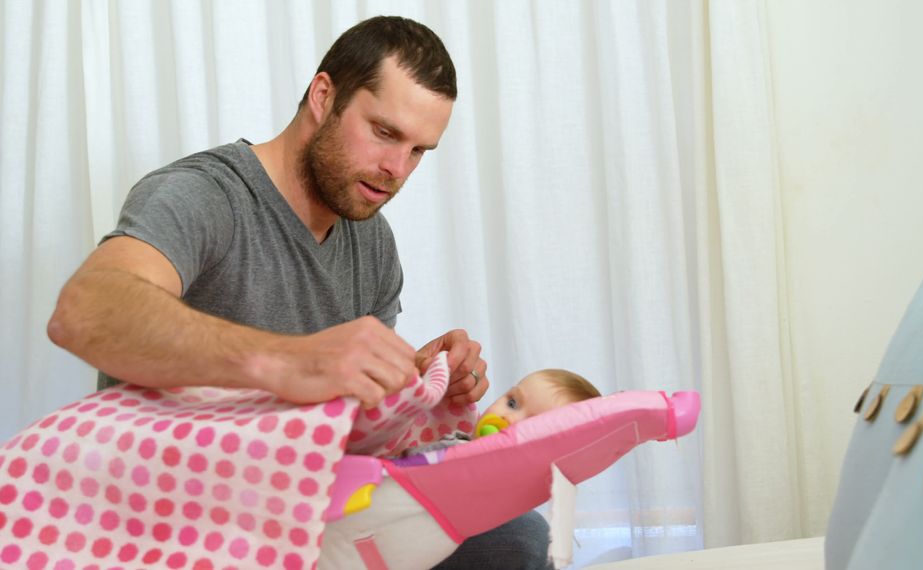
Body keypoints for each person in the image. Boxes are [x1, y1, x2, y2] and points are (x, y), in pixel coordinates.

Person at [47, 15, 549, 570]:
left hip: (305, 511)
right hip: (181, 517)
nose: (395, 169)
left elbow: (357, 428)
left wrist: (414, 384)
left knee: (519, 537)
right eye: (384, 133)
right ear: (323, 94)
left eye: (418, 151)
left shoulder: (372, 239)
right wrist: (284, 361)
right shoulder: (205, 194)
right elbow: (85, 310)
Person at [402, 368, 601, 456]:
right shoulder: (455, 448)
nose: (508, 417)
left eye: (530, 425)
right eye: (513, 403)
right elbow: (401, 468)